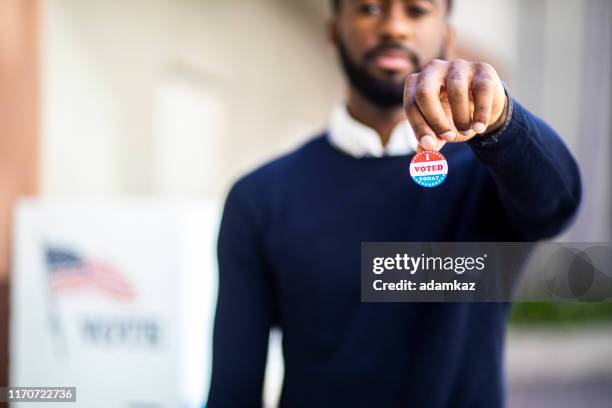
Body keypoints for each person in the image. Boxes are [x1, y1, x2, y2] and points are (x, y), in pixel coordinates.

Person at [207, 0, 581, 406]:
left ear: (447, 37)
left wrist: (503, 120)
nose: (394, 28)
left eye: (416, 11)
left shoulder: (488, 175)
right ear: (334, 32)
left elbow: (558, 204)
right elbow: (234, 388)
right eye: (369, 8)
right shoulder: (259, 198)